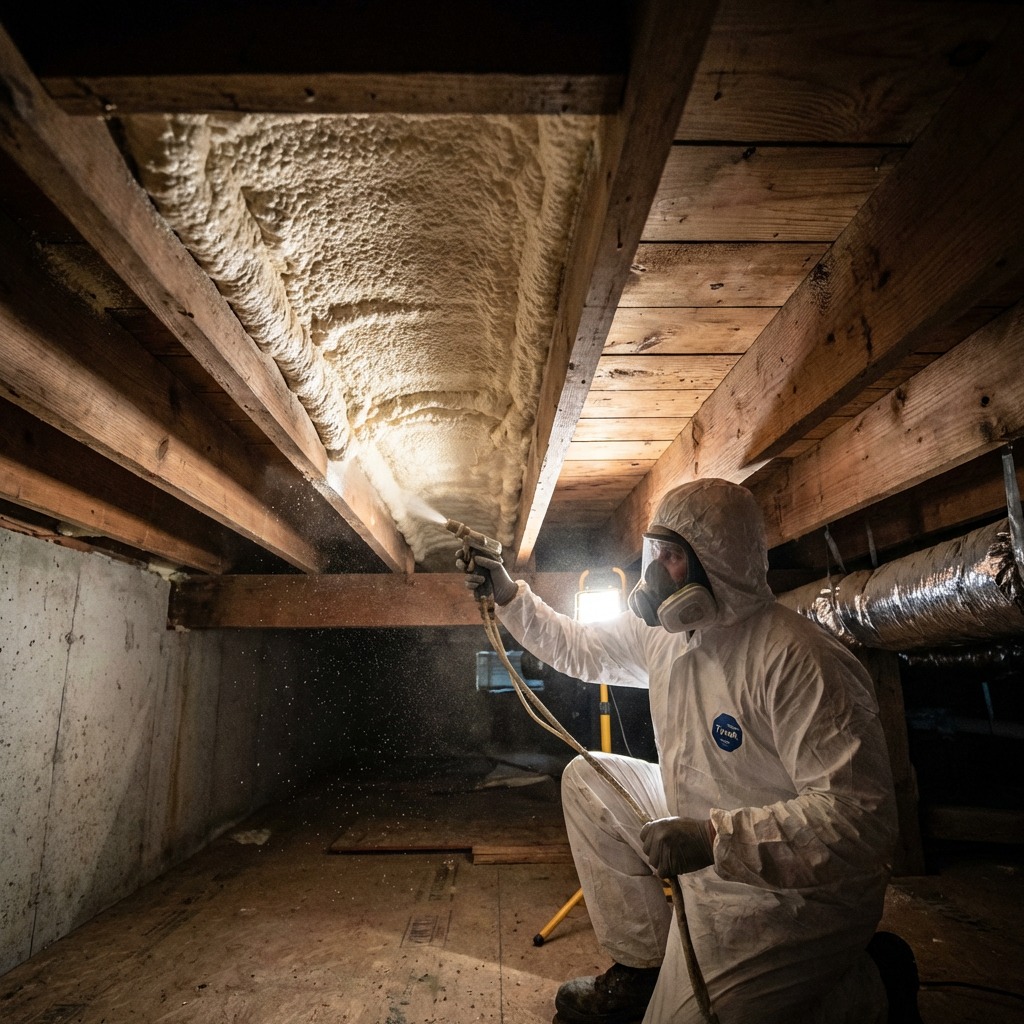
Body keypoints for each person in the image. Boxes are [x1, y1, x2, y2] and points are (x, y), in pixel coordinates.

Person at [460, 478, 922, 1024]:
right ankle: (643, 969)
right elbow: (579, 648)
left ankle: (871, 982)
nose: (654, 574)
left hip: (792, 893)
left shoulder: (799, 661)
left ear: (718, 563)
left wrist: (712, 839)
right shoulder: (666, 635)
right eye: (655, 552)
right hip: (702, 836)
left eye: (673, 557)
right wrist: (510, 595)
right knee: (589, 783)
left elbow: (857, 824)